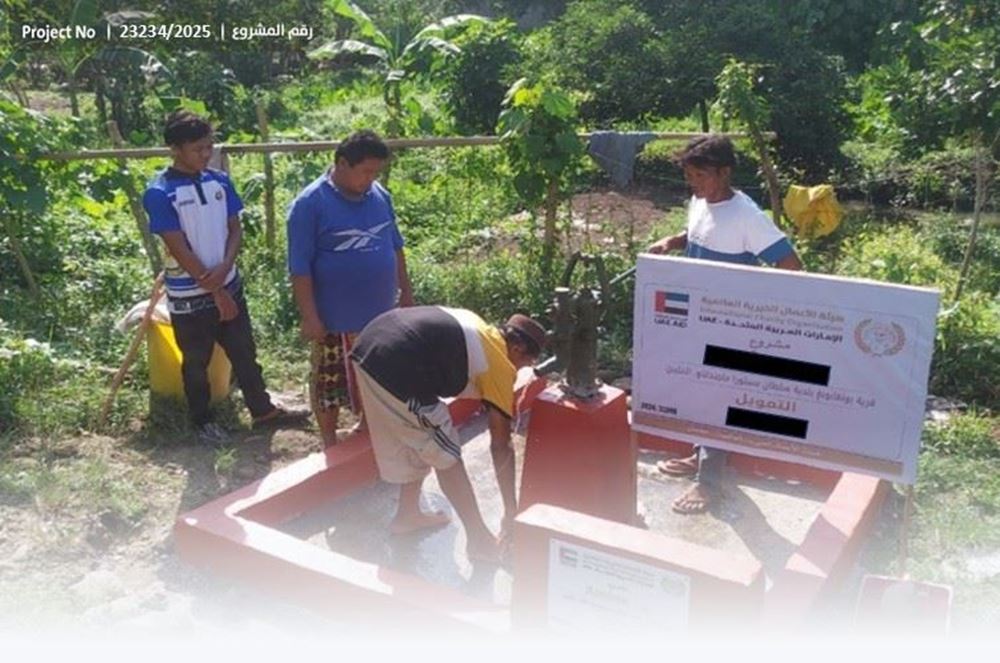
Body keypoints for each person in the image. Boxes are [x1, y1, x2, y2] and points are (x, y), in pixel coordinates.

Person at [647, 134, 803, 515]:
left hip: (728, 324)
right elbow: (698, 234)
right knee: (698, 390)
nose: (694, 184)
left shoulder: (749, 217)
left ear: (724, 172)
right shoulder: (700, 202)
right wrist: (673, 241)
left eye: (700, 175)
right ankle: (701, 455)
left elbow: (791, 265)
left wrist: (756, 308)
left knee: (718, 396)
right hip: (696, 318)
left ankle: (709, 483)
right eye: (690, 176)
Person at [142, 110, 307, 445]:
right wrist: (214, 287)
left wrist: (226, 267)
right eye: (197, 148)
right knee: (196, 361)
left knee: (244, 350)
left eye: (209, 147)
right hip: (190, 294)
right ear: (175, 149)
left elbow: (235, 227)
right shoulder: (159, 193)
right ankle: (202, 421)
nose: (205, 154)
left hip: (228, 283)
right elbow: (178, 246)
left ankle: (262, 410)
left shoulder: (219, 181)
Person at [349, 306, 546, 563]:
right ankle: (479, 541)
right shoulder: (499, 364)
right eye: (525, 364)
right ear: (517, 349)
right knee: (447, 453)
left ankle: (407, 515)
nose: (520, 371)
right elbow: (501, 445)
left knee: (420, 436)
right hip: (394, 364)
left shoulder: (480, 327)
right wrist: (511, 510)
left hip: (370, 344)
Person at [287, 130, 414, 449]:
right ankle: (329, 440)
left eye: (376, 172)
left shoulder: (380, 196)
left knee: (375, 377)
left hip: (378, 313)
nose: (371, 179)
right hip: (333, 317)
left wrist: (406, 292)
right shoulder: (310, 204)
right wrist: (309, 316)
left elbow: (395, 247)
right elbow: (299, 267)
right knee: (328, 380)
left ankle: (367, 428)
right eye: (366, 171)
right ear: (342, 163)